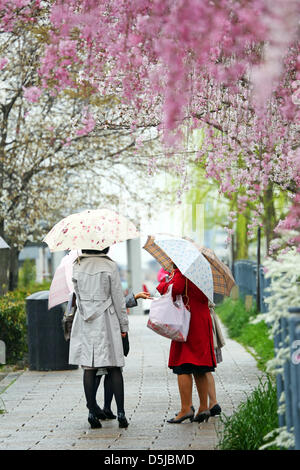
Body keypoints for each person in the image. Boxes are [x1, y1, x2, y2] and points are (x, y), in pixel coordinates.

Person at [69, 247, 133, 429]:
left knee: (89, 367)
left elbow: (77, 296)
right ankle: (120, 413)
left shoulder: (77, 265)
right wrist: (124, 328)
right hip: (107, 319)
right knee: (114, 367)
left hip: (86, 321)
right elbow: (118, 299)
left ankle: (91, 413)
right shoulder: (109, 265)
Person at [156, 264, 216, 424]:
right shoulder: (203, 269)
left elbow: (174, 290)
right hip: (202, 319)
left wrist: (164, 282)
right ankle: (204, 407)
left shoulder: (183, 271)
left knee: (183, 365)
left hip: (187, 322)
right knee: (201, 367)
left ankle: (186, 408)